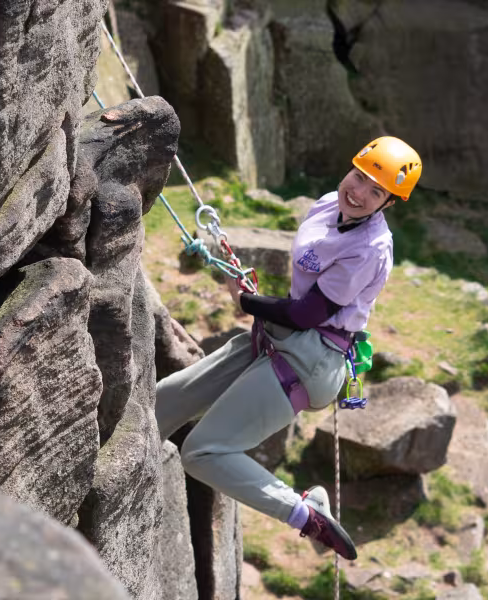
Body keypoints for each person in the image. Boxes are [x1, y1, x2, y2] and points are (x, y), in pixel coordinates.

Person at [155, 136, 422, 561]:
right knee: (160, 403)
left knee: (203, 452)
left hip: (311, 360)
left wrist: (245, 301)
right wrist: (255, 297)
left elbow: (307, 314)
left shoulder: (370, 249)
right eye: (359, 177)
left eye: (376, 191)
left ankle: (305, 514)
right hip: (278, 337)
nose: (358, 192)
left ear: (388, 203)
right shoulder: (325, 206)